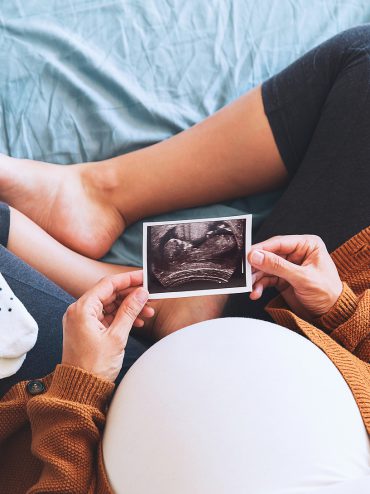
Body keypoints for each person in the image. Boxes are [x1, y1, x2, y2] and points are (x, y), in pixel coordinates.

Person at [0, 24, 369, 491]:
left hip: (100, 430)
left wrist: (76, 396)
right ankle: (103, 197)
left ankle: (169, 303)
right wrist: (342, 311)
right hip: (306, 334)